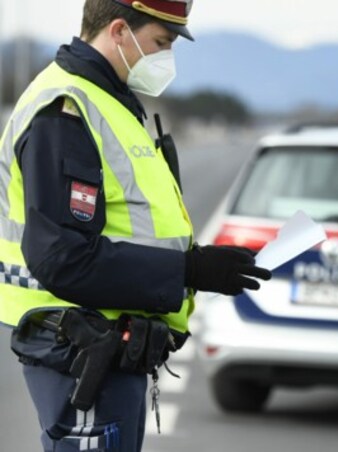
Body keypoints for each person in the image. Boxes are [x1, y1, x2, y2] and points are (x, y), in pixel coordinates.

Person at [0, 1, 272, 450]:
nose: (167, 59)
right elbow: (63, 257)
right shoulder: (65, 110)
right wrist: (189, 271)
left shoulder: (110, 101)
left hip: (105, 349)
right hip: (81, 353)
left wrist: (194, 267)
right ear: (121, 30)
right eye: (162, 43)